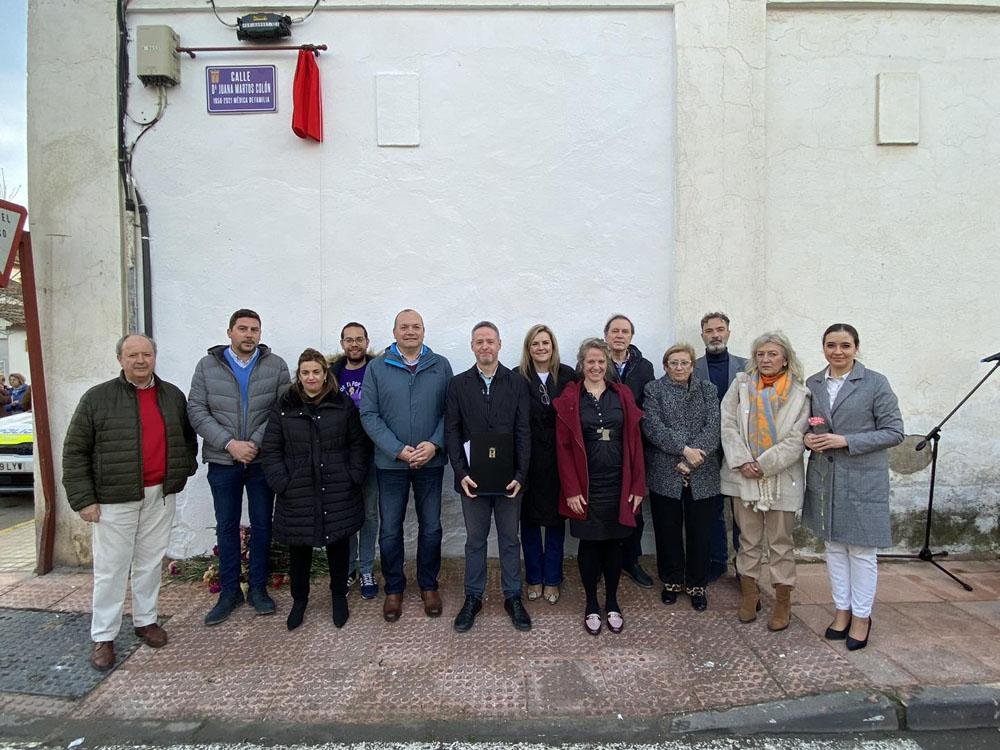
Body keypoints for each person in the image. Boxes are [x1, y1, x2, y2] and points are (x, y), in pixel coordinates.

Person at [62, 334, 198, 670]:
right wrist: (84, 499)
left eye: (147, 354)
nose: (140, 360)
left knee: (151, 563)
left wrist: (183, 470)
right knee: (111, 569)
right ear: (120, 359)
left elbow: (186, 438)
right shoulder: (97, 399)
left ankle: (145, 621)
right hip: (114, 498)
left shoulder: (171, 396)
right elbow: (75, 451)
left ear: (155, 357)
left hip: (160, 494)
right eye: (133, 354)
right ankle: (104, 636)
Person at [802, 324, 903, 651]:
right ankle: (841, 610)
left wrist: (846, 440)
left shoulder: (875, 382)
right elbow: (807, 423)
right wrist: (807, 438)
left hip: (861, 477)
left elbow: (894, 432)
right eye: (831, 345)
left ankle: (862, 616)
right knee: (833, 548)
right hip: (825, 478)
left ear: (856, 348)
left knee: (860, 551)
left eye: (845, 345)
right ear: (823, 348)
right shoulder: (814, 383)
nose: (838, 351)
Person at [188, 309, 290, 626]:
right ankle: (229, 592)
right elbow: (196, 409)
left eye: (254, 329)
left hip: (260, 461)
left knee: (262, 525)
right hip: (222, 460)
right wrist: (230, 443)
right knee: (227, 526)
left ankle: (258, 589)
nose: (249, 335)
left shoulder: (276, 366)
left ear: (260, 333)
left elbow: (282, 409)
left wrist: (255, 444)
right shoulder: (207, 366)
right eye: (242, 329)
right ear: (230, 332)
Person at [261, 348, 371, 631]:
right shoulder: (285, 405)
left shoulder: (342, 404)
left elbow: (357, 443)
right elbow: (272, 448)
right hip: (296, 490)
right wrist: (280, 481)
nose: (311, 377)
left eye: (316, 372)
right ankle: (300, 601)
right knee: (299, 550)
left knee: (338, 546)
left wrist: (354, 475)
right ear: (299, 376)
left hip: (337, 487)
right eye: (305, 372)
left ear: (325, 375)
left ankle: (338, 597)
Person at [359, 309, 453, 622]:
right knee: (389, 530)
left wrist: (434, 444)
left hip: (430, 460)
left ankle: (428, 585)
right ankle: (394, 589)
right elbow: (368, 415)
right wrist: (397, 450)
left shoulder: (440, 366)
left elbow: (450, 412)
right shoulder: (377, 367)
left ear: (424, 331)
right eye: (404, 327)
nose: (410, 331)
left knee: (431, 528)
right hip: (390, 463)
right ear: (395, 331)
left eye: (415, 327)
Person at [554, 338, 645, 635]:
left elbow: (634, 443)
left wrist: (636, 486)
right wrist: (571, 490)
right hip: (586, 485)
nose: (595, 367)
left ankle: (613, 601)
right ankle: (592, 602)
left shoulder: (622, 394)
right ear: (582, 364)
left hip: (618, 483)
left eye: (601, 362)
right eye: (590, 362)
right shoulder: (571, 398)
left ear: (607, 365)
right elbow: (564, 448)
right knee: (590, 544)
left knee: (614, 543)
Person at [720, 331, 810, 631]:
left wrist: (764, 464)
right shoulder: (741, 385)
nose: (766, 359)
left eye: (772, 354)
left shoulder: (800, 393)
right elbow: (727, 423)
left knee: (781, 542)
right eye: (760, 354)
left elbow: (797, 438)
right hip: (743, 475)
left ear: (785, 358)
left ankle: (782, 601)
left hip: (780, 478)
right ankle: (749, 595)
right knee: (748, 540)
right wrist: (744, 460)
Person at [446, 321, 532, 632]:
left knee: (510, 540)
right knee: (475, 541)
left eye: (490, 341)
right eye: (479, 341)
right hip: (473, 481)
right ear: (472, 346)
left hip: (509, 480)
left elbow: (524, 432)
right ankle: (473, 597)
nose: (485, 346)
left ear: (499, 345)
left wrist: (521, 474)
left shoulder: (516, 383)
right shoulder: (458, 385)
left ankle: (513, 596)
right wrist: (461, 472)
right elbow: (452, 432)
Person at [642, 343, 721, 611]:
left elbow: (714, 425)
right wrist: (684, 450)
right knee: (667, 531)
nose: (678, 367)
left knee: (701, 532)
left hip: (703, 469)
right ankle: (672, 581)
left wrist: (694, 458)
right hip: (666, 470)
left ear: (692, 365)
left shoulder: (708, 390)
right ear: (665, 365)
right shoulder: (654, 389)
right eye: (673, 363)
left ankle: (697, 585)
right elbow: (652, 426)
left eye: (684, 363)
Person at [518, 324, 576, 605]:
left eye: (546, 343)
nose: (541, 348)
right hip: (527, 460)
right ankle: (534, 577)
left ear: (553, 347)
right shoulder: (518, 378)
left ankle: (552, 578)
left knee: (555, 522)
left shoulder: (567, 375)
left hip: (558, 459)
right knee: (528, 522)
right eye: (535, 344)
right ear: (528, 349)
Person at [694, 312, 749, 581]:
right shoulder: (692, 367)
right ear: (702, 334)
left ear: (729, 332)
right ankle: (717, 562)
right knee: (712, 509)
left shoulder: (747, 367)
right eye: (709, 330)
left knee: (741, 510)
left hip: (739, 447)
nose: (715, 334)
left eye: (720, 329)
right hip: (707, 449)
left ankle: (744, 567)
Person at [329, 321, 380, 600]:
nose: (354, 344)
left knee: (370, 514)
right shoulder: (332, 374)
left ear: (366, 341)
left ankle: (367, 567)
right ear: (342, 344)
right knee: (346, 514)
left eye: (359, 339)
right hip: (342, 456)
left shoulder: (377, 369)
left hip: (372, 453)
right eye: (349, 340)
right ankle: (349, 568)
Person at [603, 314, 655, 589]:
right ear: (606, 335)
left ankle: (631, 560)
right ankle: (605, 559)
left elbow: (649, 404)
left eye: (624, 331)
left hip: (635, 444)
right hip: (604, 446)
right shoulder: (596, 363)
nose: (619, 336)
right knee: (606, 503)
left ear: (631, 337)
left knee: (634, 506)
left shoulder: (644, 367)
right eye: (614, 331)